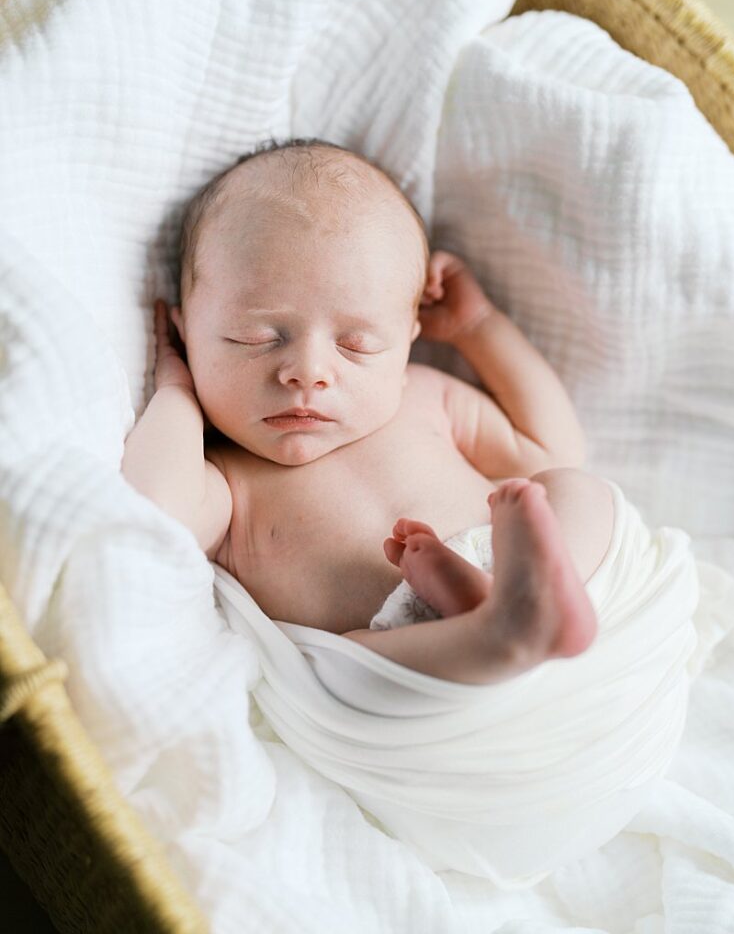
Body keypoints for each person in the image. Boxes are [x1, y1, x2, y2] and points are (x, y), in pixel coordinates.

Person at [121, 137, 617, 685]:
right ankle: (493, 633)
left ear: (408, 341)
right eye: (254, 337)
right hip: (419, 666)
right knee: (339, 669)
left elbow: (551, 446)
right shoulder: (226, 480)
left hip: (533, 577)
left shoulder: (425, 397)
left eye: (356, 344)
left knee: (576, 486)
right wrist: (177, 391)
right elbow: (155, 516)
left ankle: (519, 604)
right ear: (186, 332)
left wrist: (479, 330)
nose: (308, 372)